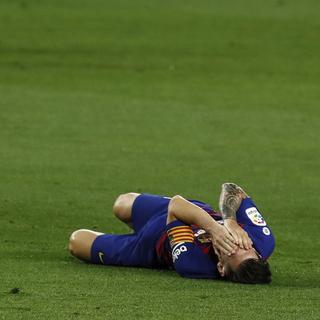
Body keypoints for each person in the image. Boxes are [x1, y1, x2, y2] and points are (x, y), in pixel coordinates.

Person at [69, 183, 275, 284]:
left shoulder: (193, 264)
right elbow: (232, 189)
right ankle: (132, 218)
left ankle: (134, 230)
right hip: (192, 210)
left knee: (77, 241)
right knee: (121, 204)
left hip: (150, 244)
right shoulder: (262, 241)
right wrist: (230, 221)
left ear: (221, 267)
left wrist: (215, 229)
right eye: (246, 246)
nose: (237, 242)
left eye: (231, 250)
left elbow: (175, 208)